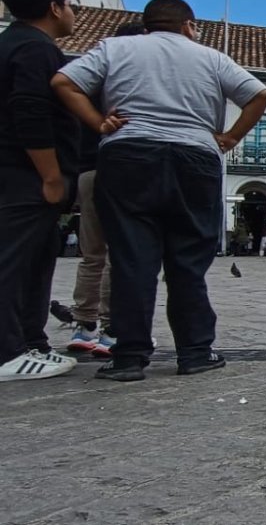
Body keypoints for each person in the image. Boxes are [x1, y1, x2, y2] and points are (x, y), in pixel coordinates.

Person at [53, 0, 266, 382]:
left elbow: (64, 82)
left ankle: (129, 356)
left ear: (149, 23)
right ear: (188, 25)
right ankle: (195, 351)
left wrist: (99, 121)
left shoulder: (115, 48)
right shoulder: (210, 57)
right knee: (188, 260)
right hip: (194, 156)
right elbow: (258, 94)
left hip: (128, 154)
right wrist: (231, 136)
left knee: (131, 260)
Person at [0, 0, 81, 381]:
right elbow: (29, 112)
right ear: (54, 7)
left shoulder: (16, 44)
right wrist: (50, 175)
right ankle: (7, 351)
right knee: (14, 260)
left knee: (32, 259)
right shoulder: (34, 49)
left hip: (19, 170)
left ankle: (29, 340)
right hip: (24, 172)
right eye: (69, 4)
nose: (72, 12)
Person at [66, 20, 145, 357]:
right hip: (123, 167)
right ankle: (113, 328)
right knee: (120, 252)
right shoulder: (134, 81)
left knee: (91, 254)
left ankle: (84, 326)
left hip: (88, 169)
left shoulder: (89, 80)